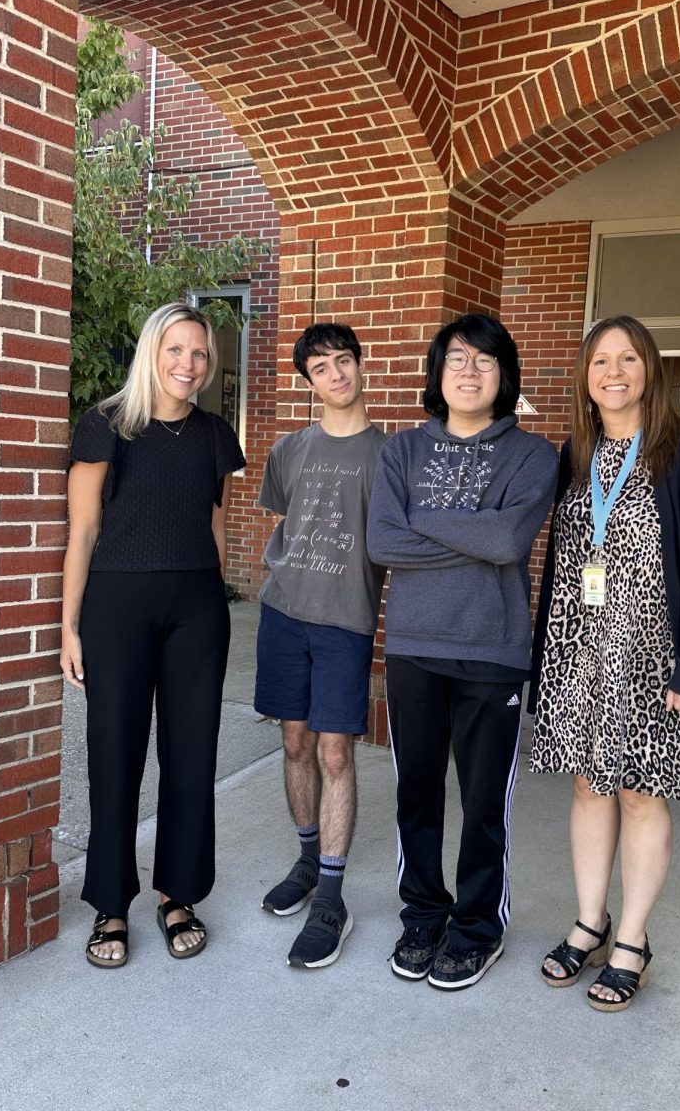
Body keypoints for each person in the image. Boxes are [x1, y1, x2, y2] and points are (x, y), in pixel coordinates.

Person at [529, 315, 680, 1011]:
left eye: (626, 359)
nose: (612, 372)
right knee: (589, 786)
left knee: (640, 793)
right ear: (584, 381)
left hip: (653, 660)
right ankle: (590, 923)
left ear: (649, 368)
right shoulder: (574, 453)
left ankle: (633, 942)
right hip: (578, 656)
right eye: (598, 362)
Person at [367, 313, 558, 990]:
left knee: (482, 803)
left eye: (484, 360)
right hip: (413, 648)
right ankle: (423, 915)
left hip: (491, 652)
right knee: (415, 794)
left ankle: (478, 927)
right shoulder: (400, 451)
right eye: (456, 359)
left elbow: (509, 542)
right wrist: (471, 530)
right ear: (436, 372)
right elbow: (381, 543)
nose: (469, 371)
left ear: (503, 375)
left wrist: (422, 520)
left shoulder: (534, 454)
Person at [61, 302, 245, 968]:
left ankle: (178, 894)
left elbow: (216, 525)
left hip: (197, 606)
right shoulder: (106, 424)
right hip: (117, 606)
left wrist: (214, 593)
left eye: (199, 354)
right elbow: (82, 531)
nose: (188, 365)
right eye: (176, 350)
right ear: (152, 352)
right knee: (114, 755)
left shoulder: (215, 434)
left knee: (191, 754)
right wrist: (69, 625)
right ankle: (111, 903)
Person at [255, 322, 386, 968]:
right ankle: (307, 860)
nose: (336, 374)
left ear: (360, 367)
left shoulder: (391, 456)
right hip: (284, 614)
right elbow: (283, 524)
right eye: (321, 368)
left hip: (345, 620)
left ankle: (332, 896)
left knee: (336, 753)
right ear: (307, 383)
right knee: (293, 741)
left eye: (343, 362)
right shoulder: (289, 450)